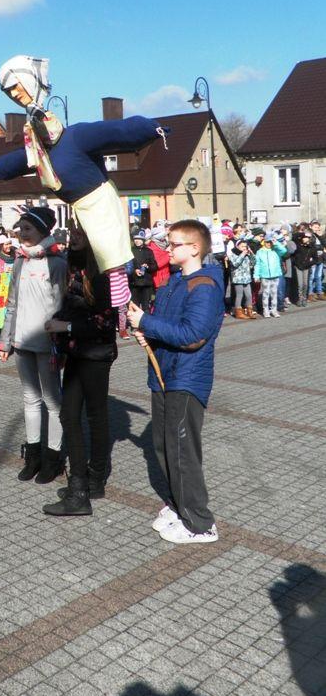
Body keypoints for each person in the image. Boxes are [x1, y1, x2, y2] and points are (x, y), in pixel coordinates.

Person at [0, 55, 168, 309]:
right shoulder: (39, 152)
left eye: (16, 86)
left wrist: (153, 129)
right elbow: (18, 161)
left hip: (98, 203)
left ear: (29, 82)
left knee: (110, 259)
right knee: (82, 265)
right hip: (77, 211)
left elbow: (117, 132)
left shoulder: (77, 137)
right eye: (8, 92)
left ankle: (119, 309)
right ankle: (93, 308)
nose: (14, 94)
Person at [127, 219, 223, 544]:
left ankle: (199, 523)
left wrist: (147, 323)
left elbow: (193, 336)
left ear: (194, 248)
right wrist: (146, 333)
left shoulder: (204, 285)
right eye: (168, 242)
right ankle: (177, 504)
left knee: (182, 450)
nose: (168, 248)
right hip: (162, 373)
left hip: (187, 376)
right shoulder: (172, 283)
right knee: (162, 445)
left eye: (175, 243)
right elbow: (165, 325)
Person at [42, 222, 118, 516]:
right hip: (75, 351)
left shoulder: (102, 273)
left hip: (95, 354)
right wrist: (57, 323)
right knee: (70, 414)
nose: (73, 237)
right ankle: (85, 482)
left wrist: (67, 325)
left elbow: (106, 322)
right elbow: (72, 305)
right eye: (72, 232)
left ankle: (86, 487)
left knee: (94, 416)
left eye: (81, 233)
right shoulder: (73, 266)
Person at [0, 206, 67, 484]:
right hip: (21, 341)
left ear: (42, 231)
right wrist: (5, 341)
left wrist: (60, 344)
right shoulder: (20, 261)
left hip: (47, 343)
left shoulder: (57, 263)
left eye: (27, 229)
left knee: (52, 401)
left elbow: (62, 306)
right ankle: (34, 455)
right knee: (30, 399)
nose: (21, 234)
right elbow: (12, 303)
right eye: (20, 229)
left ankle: (53, 458)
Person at [254, 231, 287, 318]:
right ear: (264, 242)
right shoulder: (260, 252)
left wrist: (276, 243)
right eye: (267, 242)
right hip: (265, 276)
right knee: (266, 293)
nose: (269, 244)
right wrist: (256, 275)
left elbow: (284, 250)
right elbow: (257, 265)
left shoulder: (276, 250)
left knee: (274, 293)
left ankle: (274, 310)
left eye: (270, 242)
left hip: (275, 274)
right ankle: (266, 310)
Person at [128, 229, 158, 312]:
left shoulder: (149, 251)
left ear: (143, 240)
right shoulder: (130, 251)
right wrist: (134, 270)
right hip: (134, 284)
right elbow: (127, 266)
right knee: (134, 306)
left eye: (139, 239)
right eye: (135, 239)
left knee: (146, 307)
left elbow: (155, 266)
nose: (137, 241)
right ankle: (134, 324)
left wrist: (147, 266)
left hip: (146, 284)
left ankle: (145, 323)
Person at [228, 236, 257, 320]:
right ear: (237, 246)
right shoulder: (232, 254)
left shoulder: (247, 255)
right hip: (238, 278)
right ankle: (238, 312)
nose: (244, 248)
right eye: (242, 246)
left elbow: (254, 262)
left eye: (245, 246)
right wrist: (242, 254)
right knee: (239, 295)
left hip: (246, 278)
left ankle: (249, 311)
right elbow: (235, 263)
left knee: (249, 295)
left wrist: (251, 254)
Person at [292, 228, 317, 307]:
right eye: (304, 237)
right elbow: (294, 237)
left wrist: (309, 263)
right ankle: (300, 299)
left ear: (309, 239)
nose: (304, 239)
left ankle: (304, 298)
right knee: (300, 284)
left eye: (306, 238)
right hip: (298, 266)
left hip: (306, 267)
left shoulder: (312, 248)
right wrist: (303, 233)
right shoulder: (299, 245)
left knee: (305, 284)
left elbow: (316, 259)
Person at [148, 225, 171, 291]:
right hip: (158, 277)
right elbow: (157, 263)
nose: (164, 236)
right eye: (162, 234)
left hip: (166, 274)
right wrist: (169, 255)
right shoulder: (152, 246)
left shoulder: (164, 244)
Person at [308, 221, 324, 300]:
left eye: (318, 227)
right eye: (315, 227)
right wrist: (320, 247)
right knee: (311, 277)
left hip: (320, 259)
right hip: (313, 259)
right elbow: (311, 246)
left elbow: (324, 244)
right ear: (310, 226)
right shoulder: (309, 234)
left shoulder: (318, 235)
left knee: (319, 276)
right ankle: (310, 293)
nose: (317, 229)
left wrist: (321, 236)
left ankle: (319, 292)